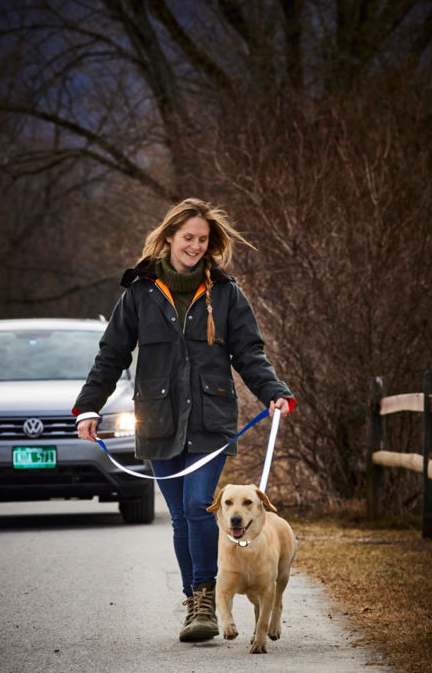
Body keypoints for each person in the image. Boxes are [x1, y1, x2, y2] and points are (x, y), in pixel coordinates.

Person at [73, 198, 295, 643]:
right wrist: (89, 405)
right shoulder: (139, 291)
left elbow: (249, 352)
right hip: (157, 419)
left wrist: (274, 392)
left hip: (211, 419)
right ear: (170, 236)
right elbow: (113, 353)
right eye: (188, 237)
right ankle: (195, 600)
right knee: (179, 517)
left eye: (203, 239)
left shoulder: (226, 292)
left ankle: (205, 600)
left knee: (198, 508)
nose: (195, 245)